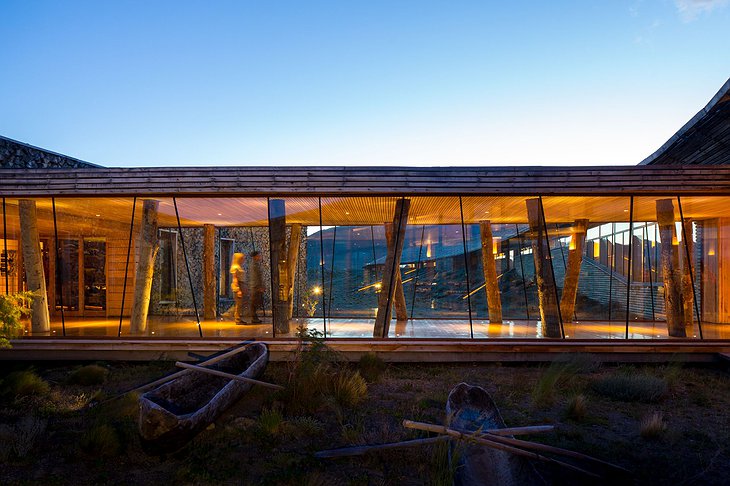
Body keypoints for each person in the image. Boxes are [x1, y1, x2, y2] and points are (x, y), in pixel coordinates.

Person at [230, 252, 247, 324]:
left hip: (241, 285)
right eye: (242, 259)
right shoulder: (236, 267)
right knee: (238, 304)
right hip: (238, 286)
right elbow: (235, 279)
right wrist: (238, 289)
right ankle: (237, 318)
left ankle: (238, 317)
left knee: (239, 304)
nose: (243, 260)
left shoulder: (238, 267)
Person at [248, 251, 264, 323]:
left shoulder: (256, 265)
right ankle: (254, 318)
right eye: (258, 256)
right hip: (255, 287)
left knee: (255, 303)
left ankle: (255, 317)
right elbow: (255, 277)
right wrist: (258, 286)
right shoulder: (254, 266)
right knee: (254, 303)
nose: (260, 257)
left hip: (256, 287)